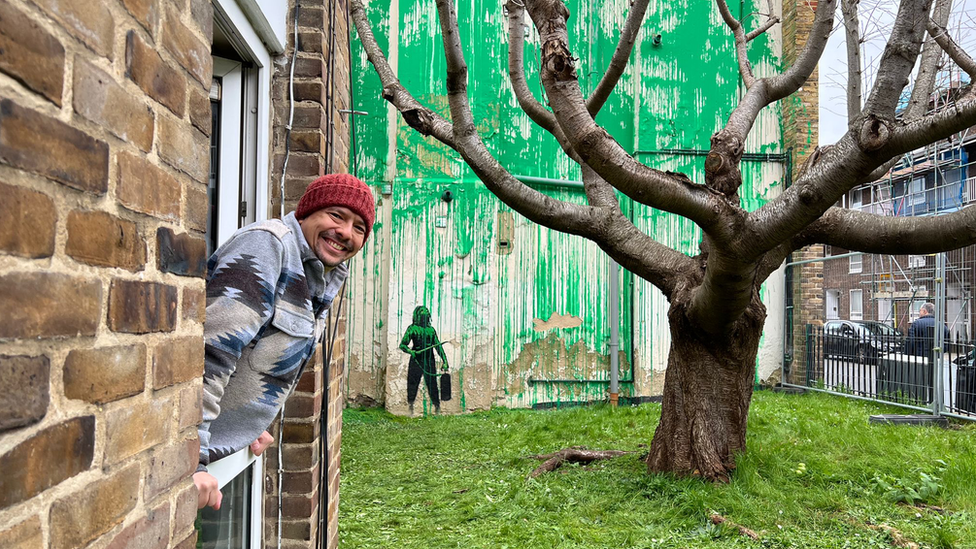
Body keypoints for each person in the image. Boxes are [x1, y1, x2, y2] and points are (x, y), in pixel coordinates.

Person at [194, 174, 374, 510]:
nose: (346, 232)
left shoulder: (322, 273)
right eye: (336, 215)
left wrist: (251, 422)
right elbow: (211, 354)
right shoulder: (268, 246)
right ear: (307, 212)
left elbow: (264, 354)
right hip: (190, 461)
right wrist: (194, 457)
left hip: (222, 451)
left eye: (360, 227)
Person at [399, 305, 449, 414]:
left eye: (426, 311)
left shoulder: (431, 330)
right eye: (422, 311)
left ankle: (437, 407)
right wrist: (411, 351)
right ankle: (410, 407)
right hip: (416, 360)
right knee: (412, 384)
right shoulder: (412, 328)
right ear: (417, 315)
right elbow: (403, 345)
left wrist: (445, 361)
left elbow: (438, 346)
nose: (424, 312)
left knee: (432, 385)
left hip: (429, 361)